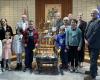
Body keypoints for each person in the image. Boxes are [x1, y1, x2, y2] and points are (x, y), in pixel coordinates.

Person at [84, 9, 100, 80]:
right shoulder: (90, 21)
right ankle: (94, 71)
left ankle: (92, 76)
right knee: (92, 59)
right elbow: (86, 31)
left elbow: (95, 33)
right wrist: (85, 39)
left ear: (97, 14)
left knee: (93, 60)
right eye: (91, 13)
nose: (92, 14)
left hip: (95, 45)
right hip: (89, 44)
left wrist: (88, 41)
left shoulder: (98, 22)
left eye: (93, 13)